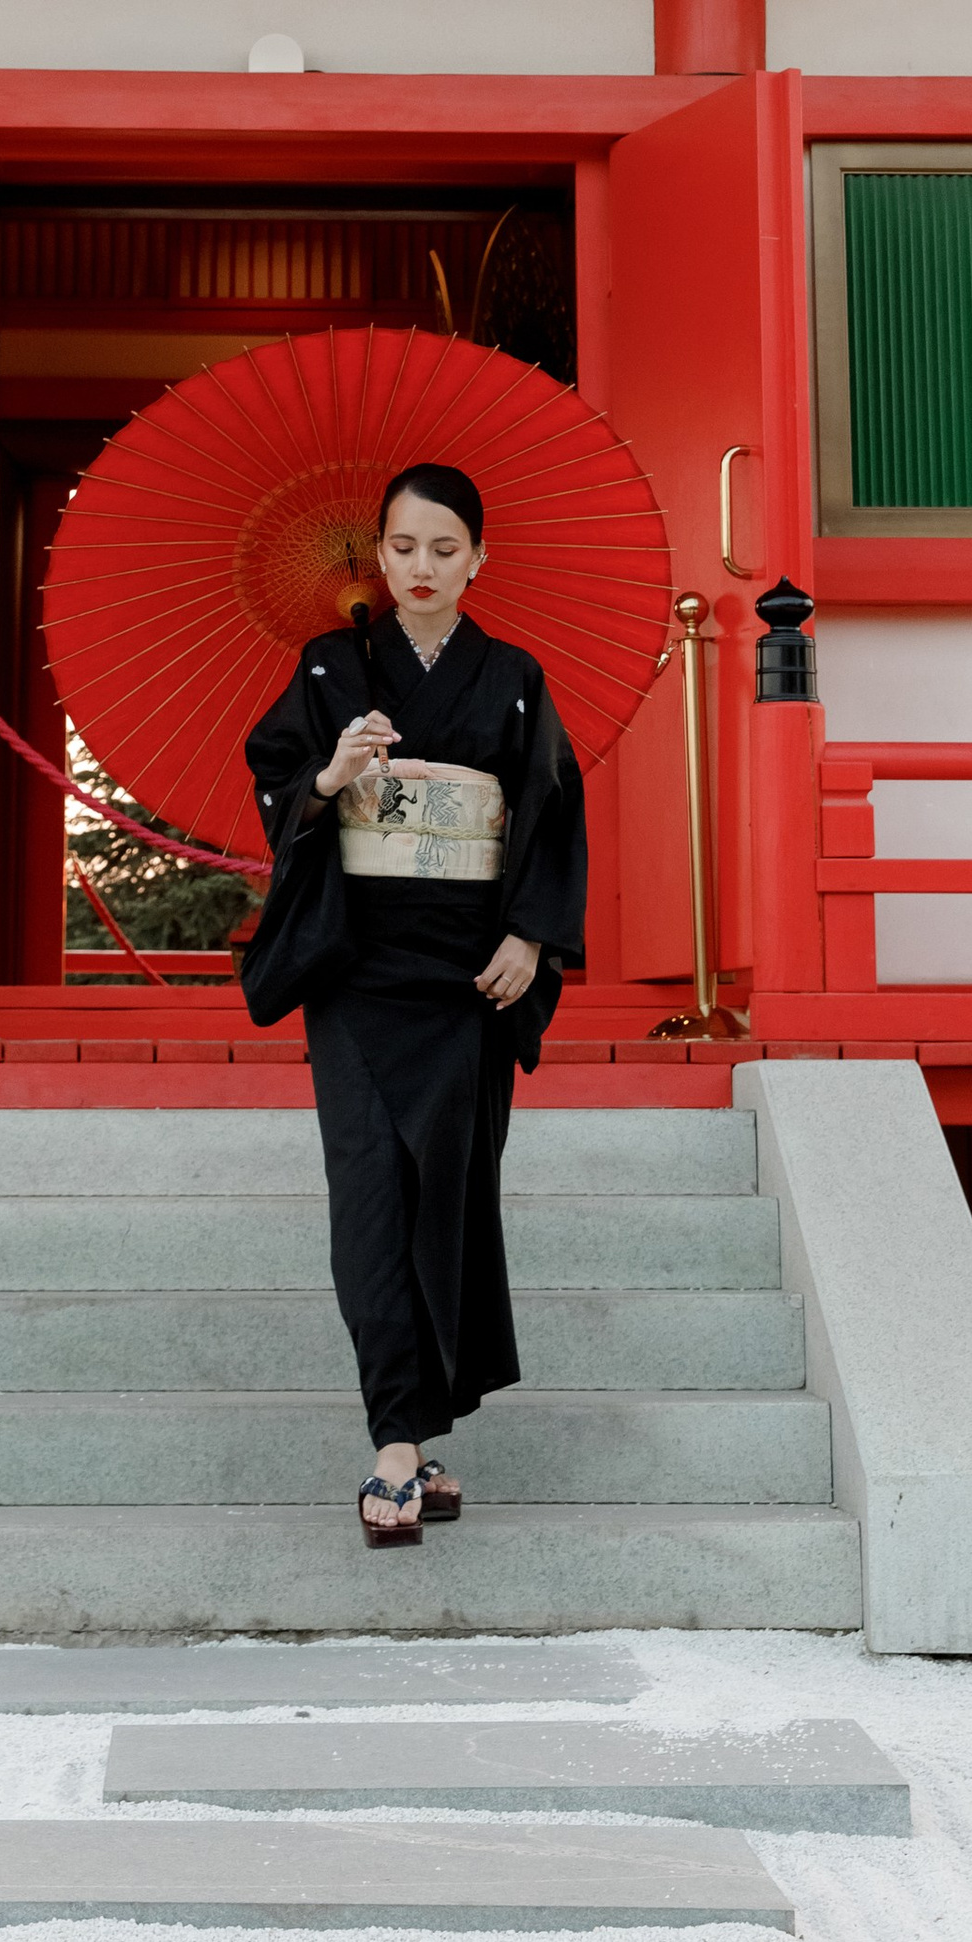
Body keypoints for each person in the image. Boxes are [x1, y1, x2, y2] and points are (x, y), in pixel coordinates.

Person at [239, 461, 589, 1548]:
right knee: (369, 1201)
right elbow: (275, 782)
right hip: (356, 971)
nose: (422, 568)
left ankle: (420, 1425)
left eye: (444, 549)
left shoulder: (516, 675)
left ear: (477, 558)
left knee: (450, 1198)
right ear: (377, 557)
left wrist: (531, 935)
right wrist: (329, 777)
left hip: (469, 976)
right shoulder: (329, 668)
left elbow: (552, 814)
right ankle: (394, 1441)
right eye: (402, 548)